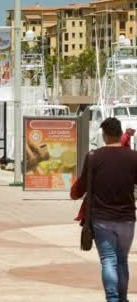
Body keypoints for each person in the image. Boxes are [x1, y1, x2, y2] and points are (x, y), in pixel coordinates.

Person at [71, 117, 137, 302]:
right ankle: (122, 299)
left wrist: (74, 193)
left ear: (105, 135)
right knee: (122, 260)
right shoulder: (133, 157)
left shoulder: (94, 156)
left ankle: (112, 299)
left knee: (108, 260)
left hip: (101, 219)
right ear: (120, 133)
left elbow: (81, 186)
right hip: (127, 219)